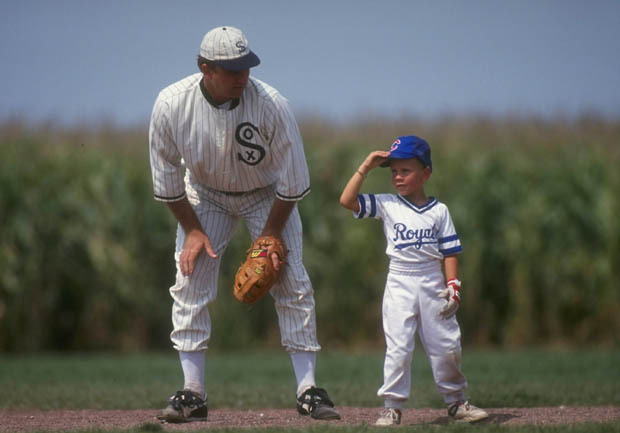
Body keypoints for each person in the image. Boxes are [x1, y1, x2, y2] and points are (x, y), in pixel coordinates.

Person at [148, 25, 340, 423]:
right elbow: (166, 180)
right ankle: (193, 392)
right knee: (190, 280)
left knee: (290, 280)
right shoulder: (171, 105)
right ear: (205, 68)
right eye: (231, 69)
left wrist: (270, 232)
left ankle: (308, 390)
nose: (242, 76)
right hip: (204, 195)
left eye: (246, 66)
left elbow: (294, 181)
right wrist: (195, 230)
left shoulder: (272, 104)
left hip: (266, 195)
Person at [339, 135, 488, 425]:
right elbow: (347, 201)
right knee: (398, 346)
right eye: (394, 171)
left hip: (432, 281)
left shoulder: (439, 211)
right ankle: (392, 407)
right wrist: (366, 167)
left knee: (446, 345)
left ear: (426, 173)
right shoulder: (387, 204)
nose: (397, 176)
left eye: (406, 170)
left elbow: (450, 251)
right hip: (399, 280)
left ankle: (457, 402)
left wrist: (453, 286)